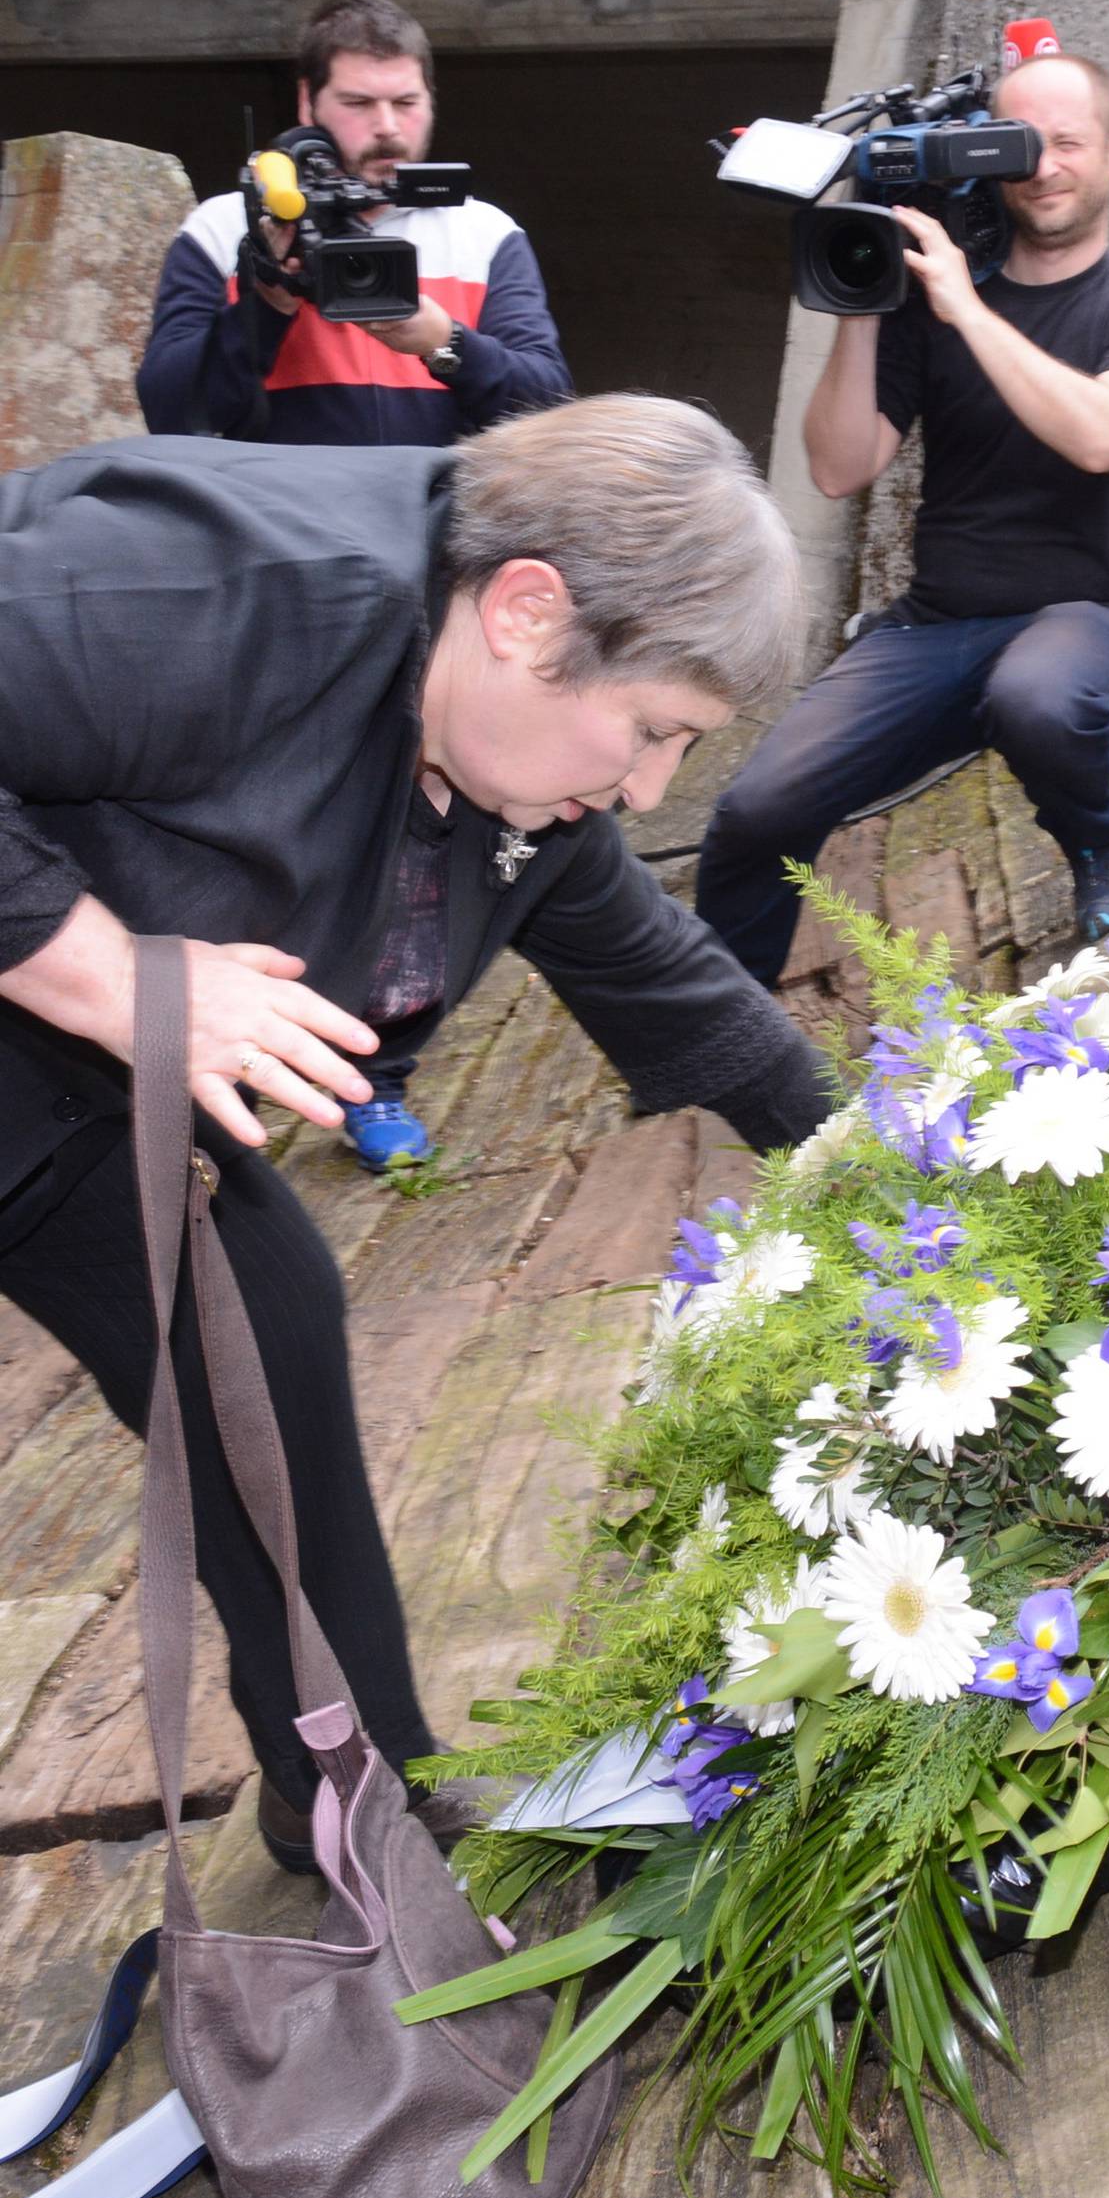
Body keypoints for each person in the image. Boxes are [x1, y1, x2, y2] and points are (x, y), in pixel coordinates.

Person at [0, 395, 831, 1873]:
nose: (647, 790)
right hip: (55, 989)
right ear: (527, 613)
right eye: (649, 733)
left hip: (51, 1075)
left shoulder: (502, 760)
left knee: (258, 1318)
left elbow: (663, 977)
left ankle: (353, 1794)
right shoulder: (241, 597)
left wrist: (875, 1169)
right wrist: (111, 974)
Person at [137, 0, 574, 1171]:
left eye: (404, 101)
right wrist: (267, 301)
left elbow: (546, 409)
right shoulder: (220, 230)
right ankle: (203, 1059)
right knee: (250, 836)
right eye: (357, 102)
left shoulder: (481, 235)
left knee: (423, 852)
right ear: (307, 106)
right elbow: (174, 417)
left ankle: (375, 1072)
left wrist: (437, 338)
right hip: (273, 587)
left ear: (431, 104)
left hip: (439, 590)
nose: (384, 126)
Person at [695, 51, 1109, 984]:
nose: (1046, 166)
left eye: (1069, 143)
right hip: (939, 624)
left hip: (1091, 620)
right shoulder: (925, 307)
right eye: (1023, 145)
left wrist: (968, 307)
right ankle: (722, 1034)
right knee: (755, 813)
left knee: (1039, 696)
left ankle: (1103, 847)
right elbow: (838, 466)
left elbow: (1102, 436)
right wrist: (863, 297)